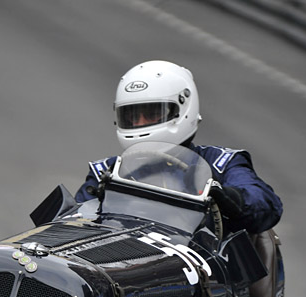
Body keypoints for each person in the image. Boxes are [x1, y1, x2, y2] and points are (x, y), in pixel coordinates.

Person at [75, 60, 283, 235]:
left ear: (184, 109)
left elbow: (265, 204)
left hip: (205, 271)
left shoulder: (221, 163)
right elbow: (71, 223)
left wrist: (228, 197)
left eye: (151, 113)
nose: (140, 123)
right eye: (132, 116)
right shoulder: (107, 172)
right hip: (126, 265)